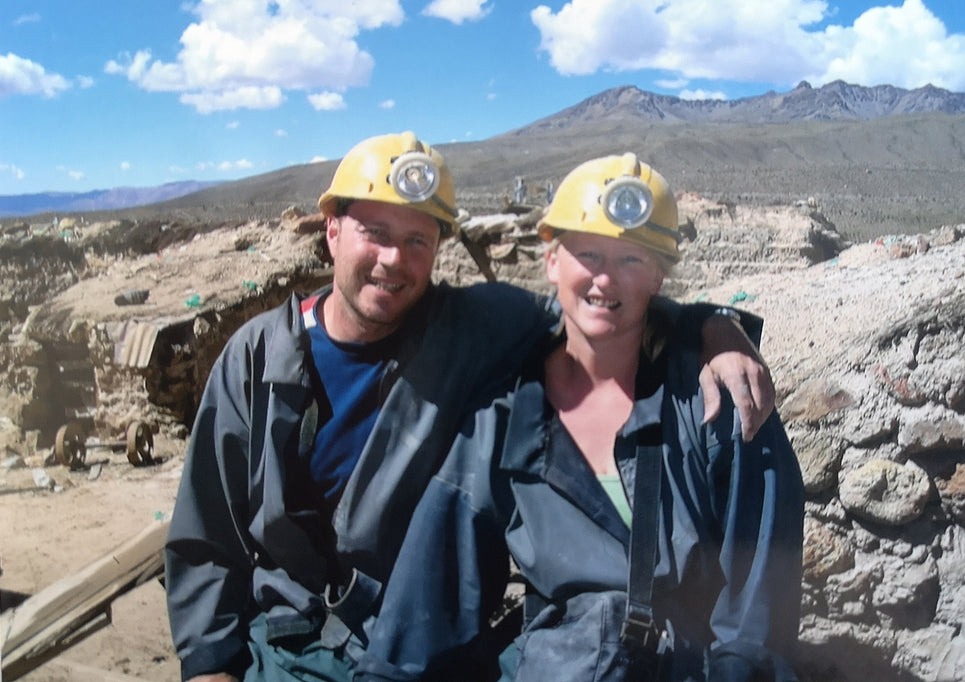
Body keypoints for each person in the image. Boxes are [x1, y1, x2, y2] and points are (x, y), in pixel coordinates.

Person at [164, 133, 778, 682]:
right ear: (332, 231)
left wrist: (715, 328)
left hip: (407, 635)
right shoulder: (260, 359)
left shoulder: (471, 330)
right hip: (288, 643)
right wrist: (210, 666)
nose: (393, 259)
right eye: (375, 234)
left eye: (416, 241)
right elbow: (206, 533)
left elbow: (600, 313)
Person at [357, 154, 804, 681]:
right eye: (587, 253)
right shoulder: (503, 420)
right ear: (552, 263)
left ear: (659, 277)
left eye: (632, 260)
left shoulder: (717, 404)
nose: (604, 279)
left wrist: (717, 324)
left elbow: (753, 624)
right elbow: (432, 593)